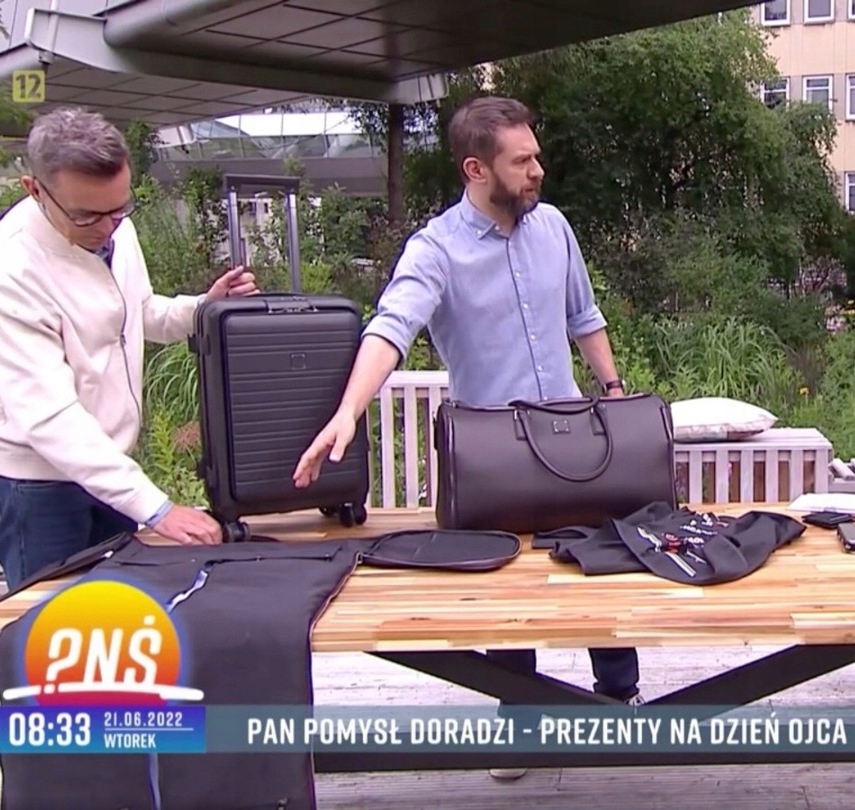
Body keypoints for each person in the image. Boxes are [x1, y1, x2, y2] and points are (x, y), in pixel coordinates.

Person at [292, 95, 644, 779]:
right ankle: (522, 723)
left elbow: (584, 316)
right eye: (522, 161)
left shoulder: (554, 228)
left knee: (597, 564)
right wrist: (348, 410)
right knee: (506, 590)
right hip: (493, 453)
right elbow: (391, 328)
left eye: (536, 156)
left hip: (573, 437)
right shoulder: (435, 249)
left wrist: (612, 390)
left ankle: (618, 694)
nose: (538, 170)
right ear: (476, 169)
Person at [0, 106, 258, 590]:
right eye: (87, 215)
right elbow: (50, 416)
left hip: (113, 476)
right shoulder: (12, 269)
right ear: (35, 190)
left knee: (113, 616)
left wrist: (204, 308)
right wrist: (157, 508)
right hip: (41, 488)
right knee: (50, 626)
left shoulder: (115, 226)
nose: (108, 228)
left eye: (120, 208)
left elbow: (135, 313)